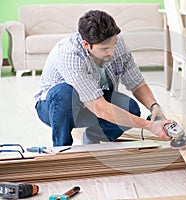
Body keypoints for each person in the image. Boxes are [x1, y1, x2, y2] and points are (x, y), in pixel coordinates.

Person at [34, 10, 172, 147]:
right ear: (87, 45)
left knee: (131, 108)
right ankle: (62, 149)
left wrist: (155, 107)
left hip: (92, 102)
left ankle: (93, 137)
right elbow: (100, 108)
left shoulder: (116, 43)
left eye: (113, 45)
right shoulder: (69, 54)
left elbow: (137, 83)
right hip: (55, 108)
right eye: (105, 49)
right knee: (64, 92)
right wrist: (149, 125)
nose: (112, 52)